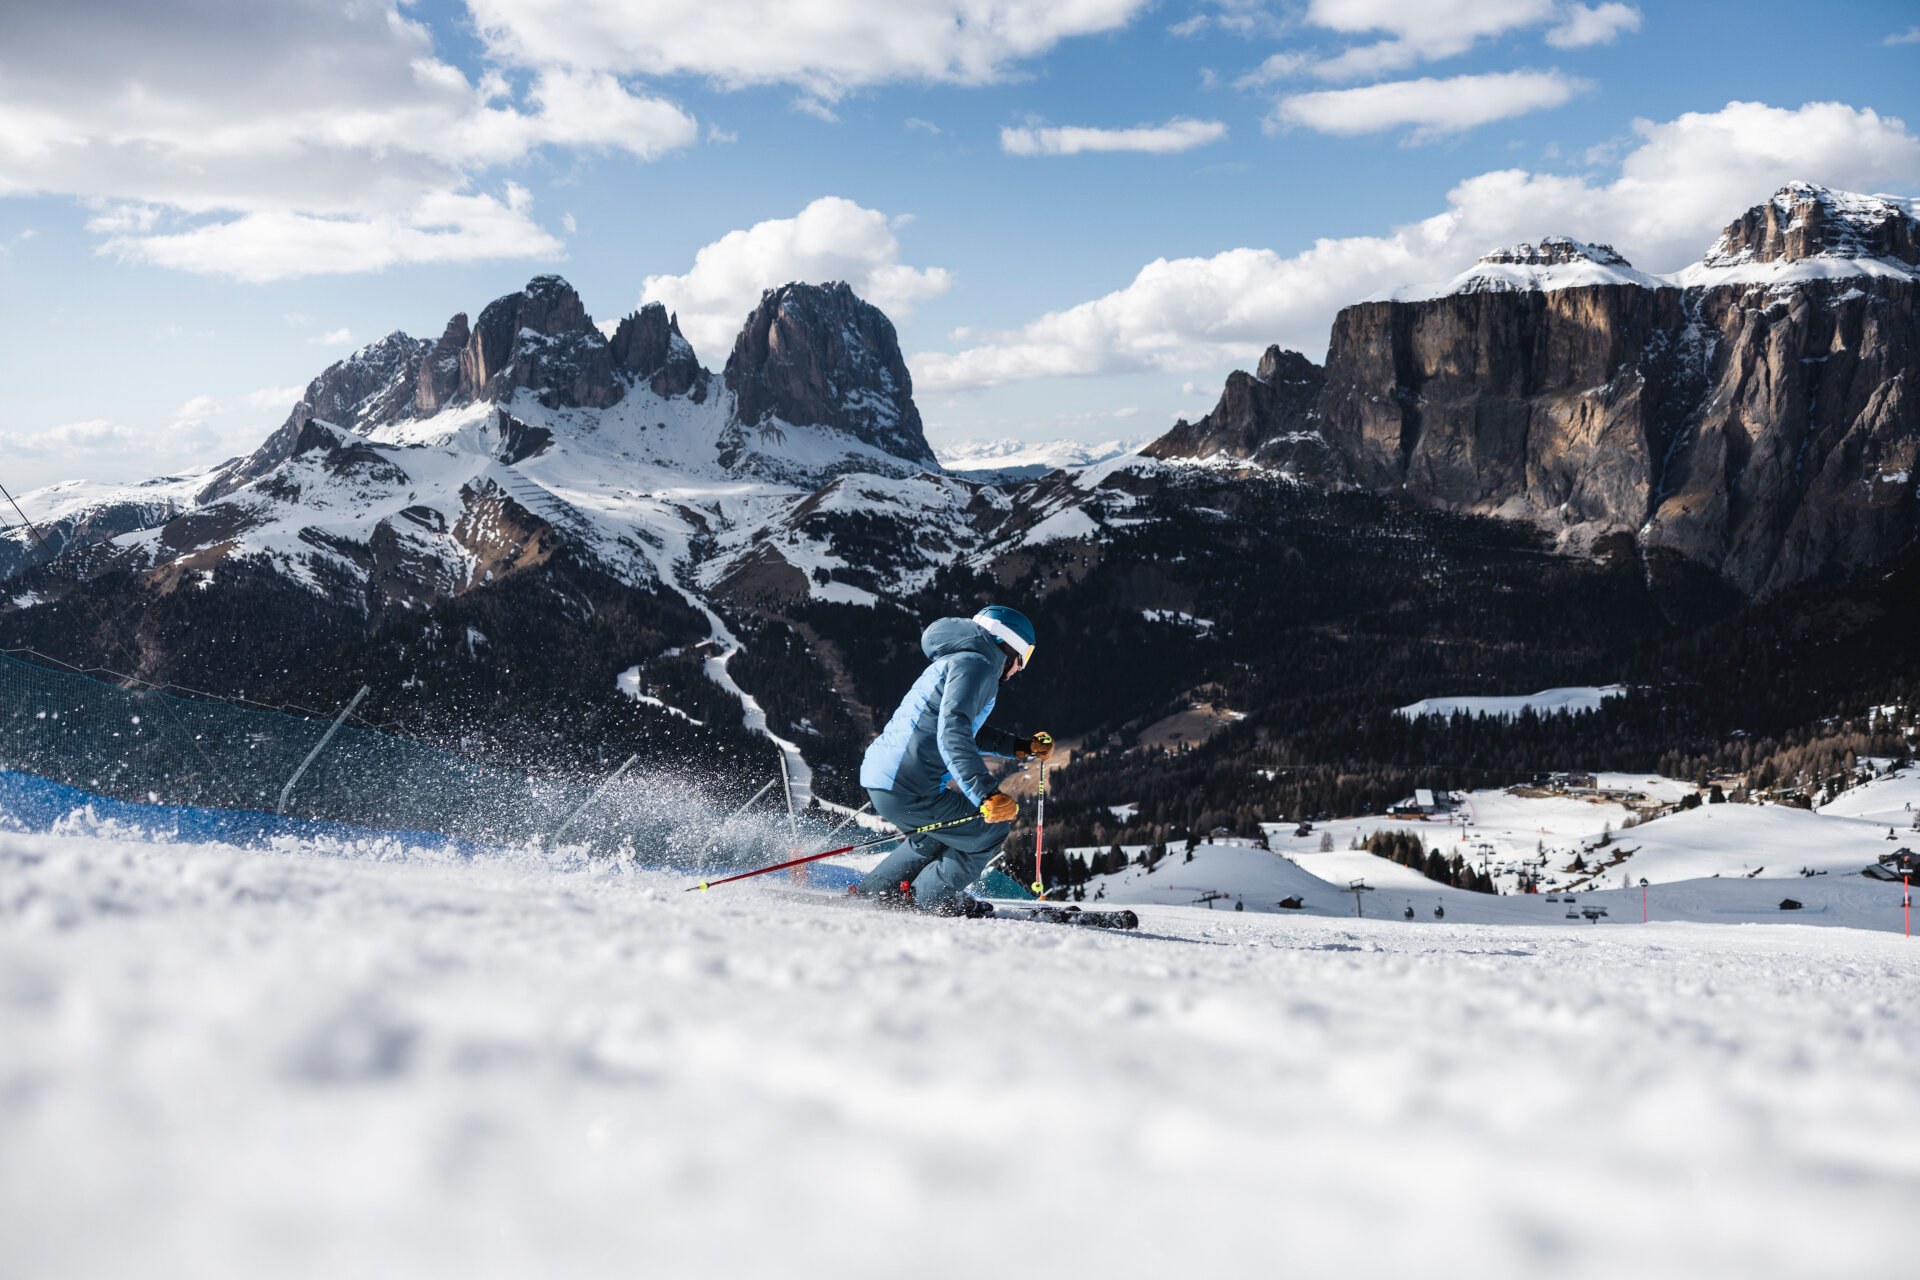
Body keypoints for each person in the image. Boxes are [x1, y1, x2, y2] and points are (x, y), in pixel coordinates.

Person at [854, 606, 1053, 913]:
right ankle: (928, 899)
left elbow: (962, 726)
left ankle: (874, 893)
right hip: (908, 785)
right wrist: (986, 793)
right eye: (1024, 657)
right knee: (990, 829)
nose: (1020, 669)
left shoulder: (959, 659)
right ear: (1009, 644)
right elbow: (954, 730)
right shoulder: (980, 665)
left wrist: (1020, 746)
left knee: (932, 837)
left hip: (883, 779)